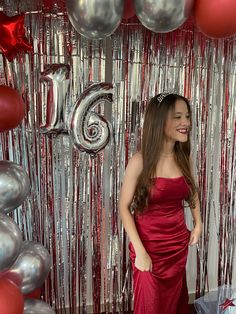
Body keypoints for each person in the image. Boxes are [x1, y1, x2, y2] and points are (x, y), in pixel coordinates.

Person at [119, 93, 202, 314]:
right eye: (178, 117)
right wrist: (140, 250)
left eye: (187, 116)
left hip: (177, 245)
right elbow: (124, 208)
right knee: (151, 306)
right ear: (160, 121)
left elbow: (191, 191)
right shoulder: (140, 161)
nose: (186, 123)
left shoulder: (185, 158)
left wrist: (198, 222)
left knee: (174, 304)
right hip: (149, 247)